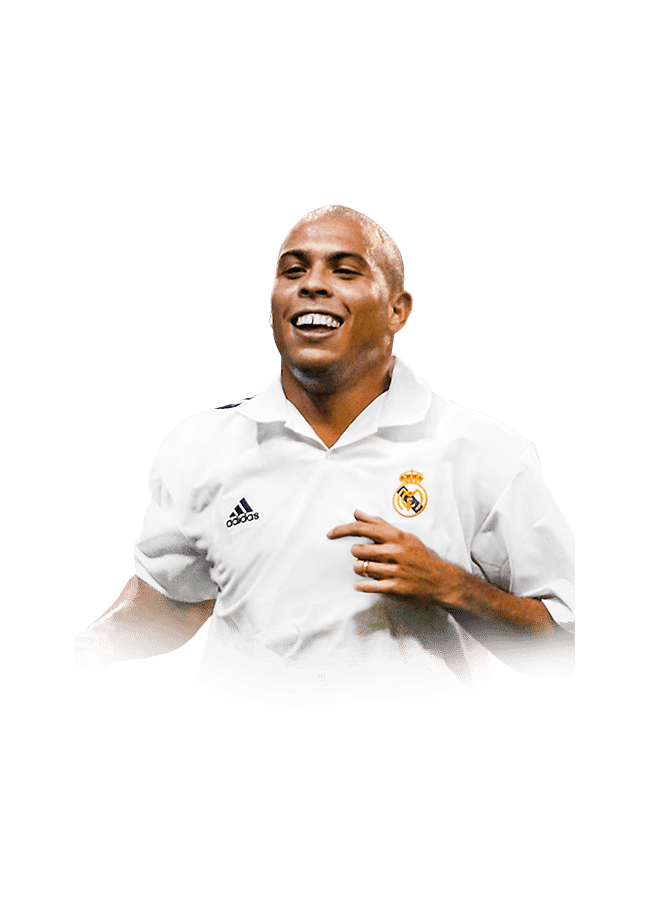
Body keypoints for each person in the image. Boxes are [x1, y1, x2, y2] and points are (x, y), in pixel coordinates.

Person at [75, 205, 575, 738]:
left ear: (397, 310)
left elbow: (564, 655)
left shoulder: (484, 450)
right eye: (293, 271)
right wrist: (84, 651)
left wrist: (453, 587)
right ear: (273, 307)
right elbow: (171, 604)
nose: (312, 285)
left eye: (345, 270)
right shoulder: (199, 445)